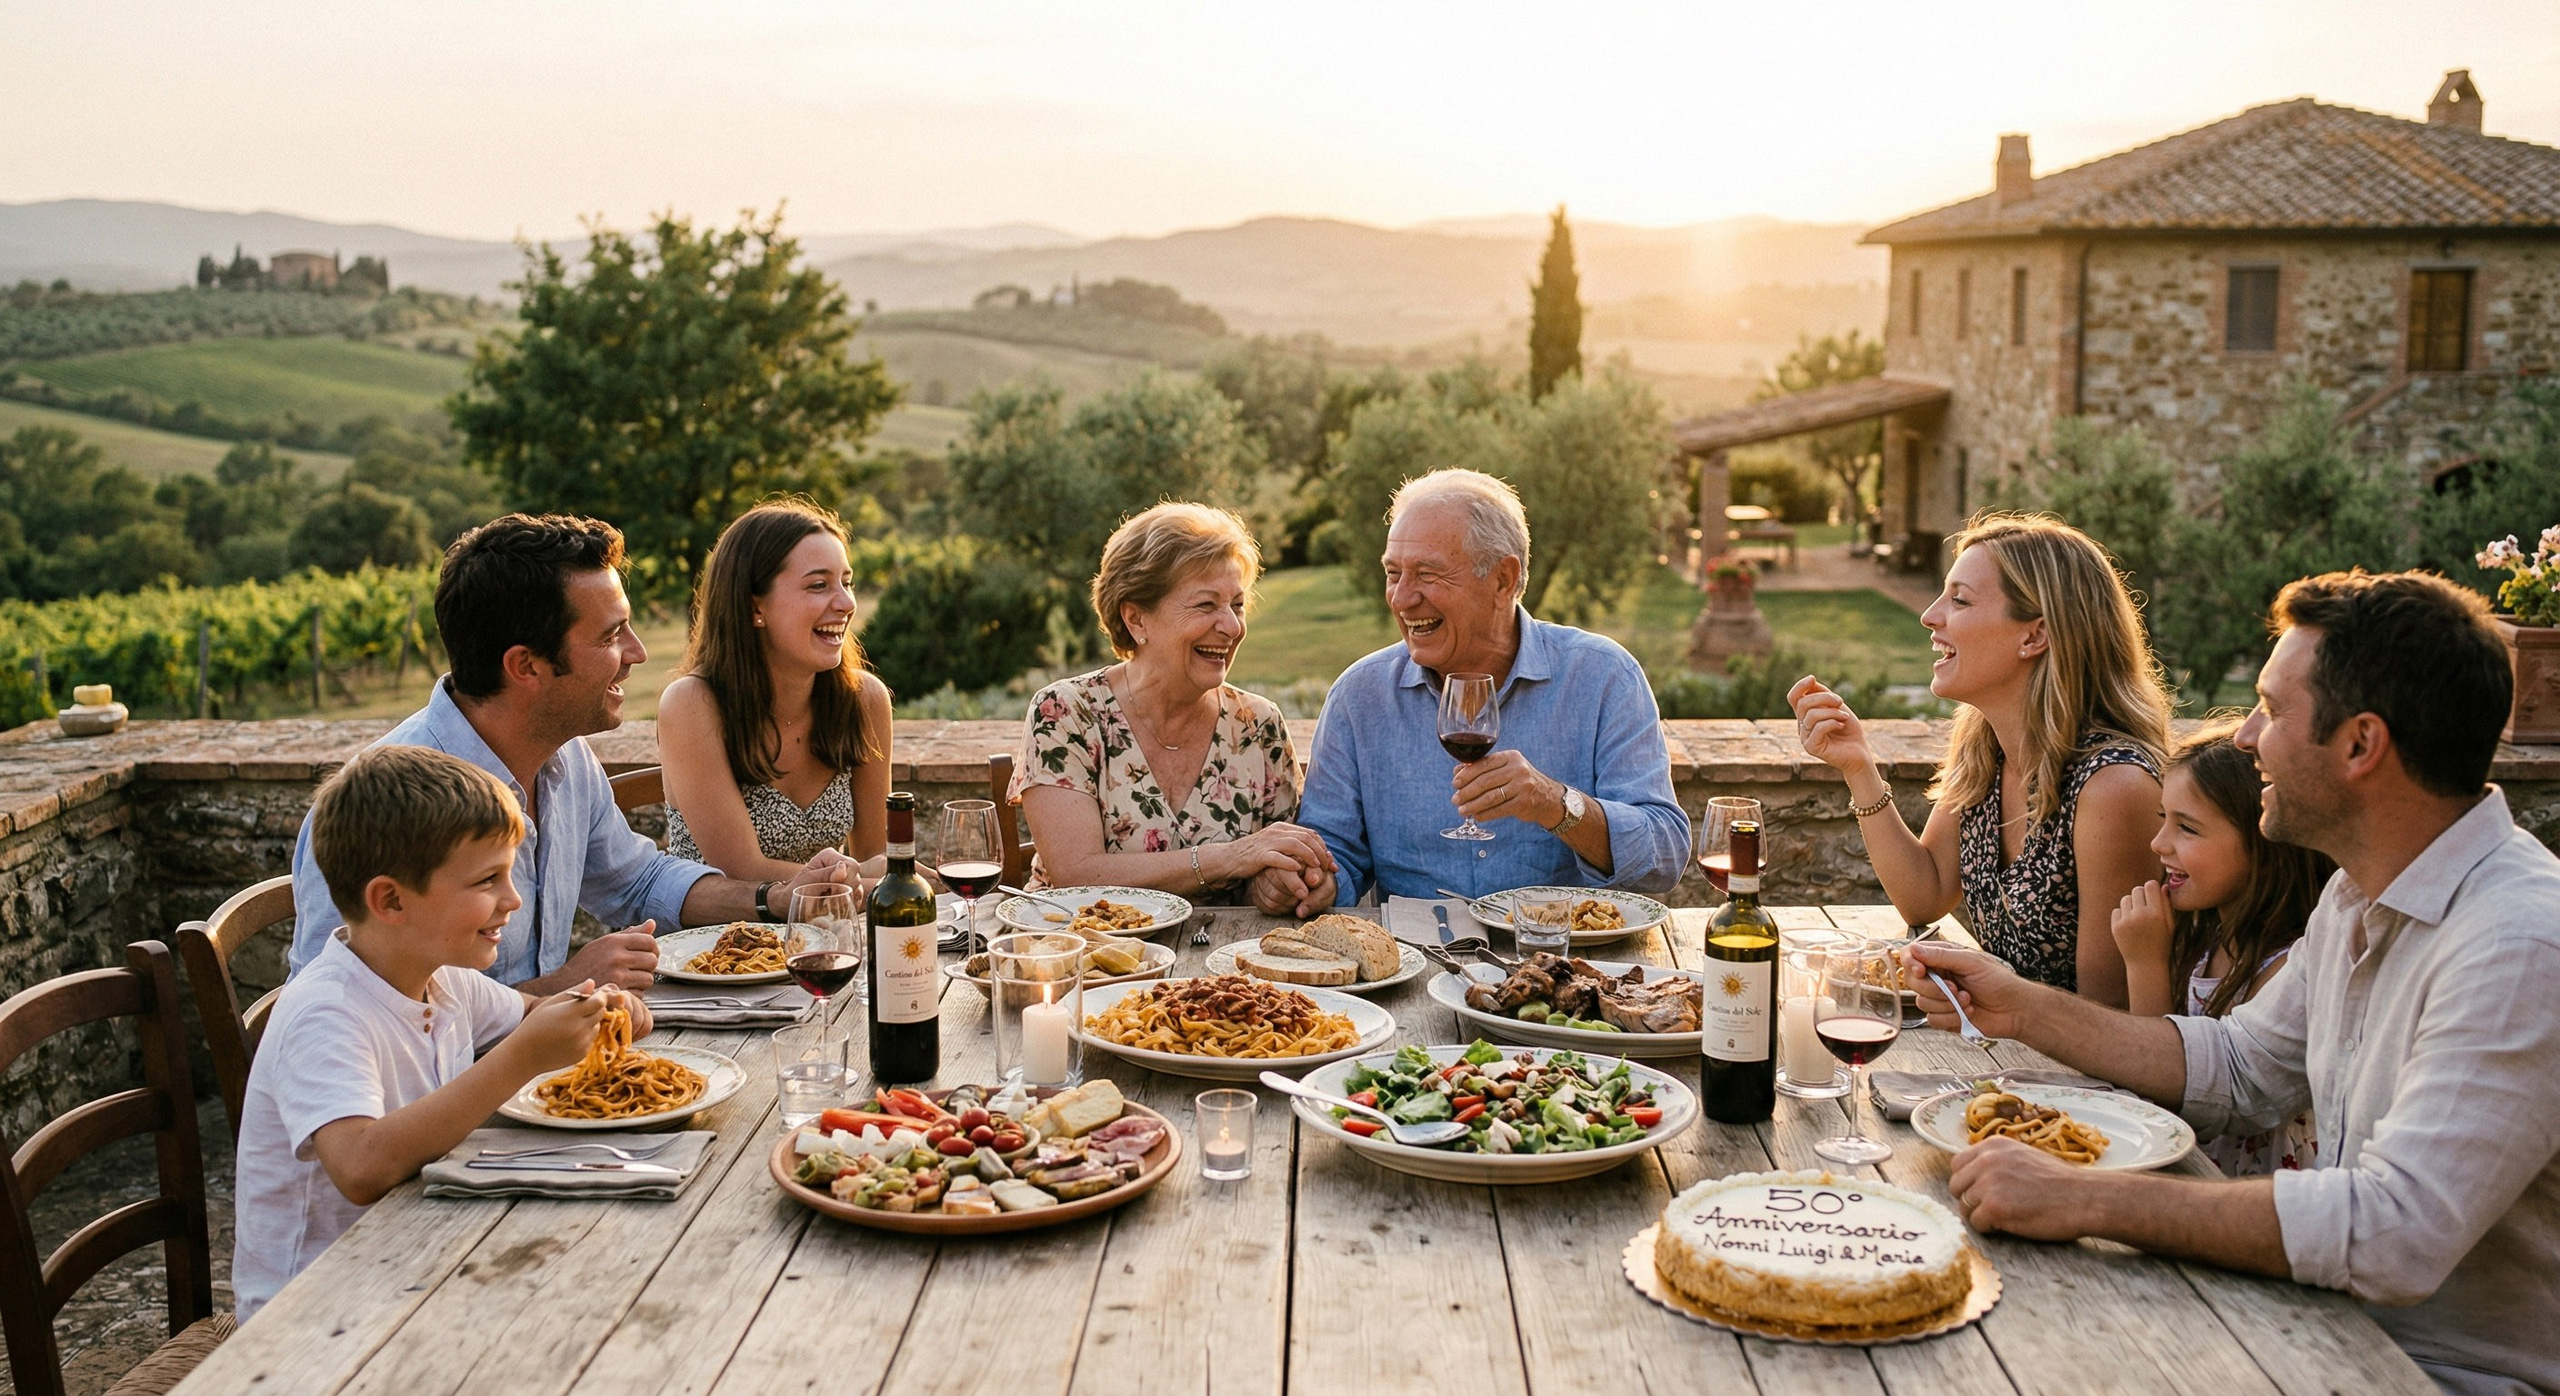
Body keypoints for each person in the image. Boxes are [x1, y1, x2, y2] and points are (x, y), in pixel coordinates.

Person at [1909, 569, 2560, 1395]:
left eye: (2274, 709)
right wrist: (2019, 1006)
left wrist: (2087, 1198)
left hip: (2434, 1375)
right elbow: (2243, 1066)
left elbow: (2394, 1233)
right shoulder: (2359, 894)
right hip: (2317, 1329)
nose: (2248, 737)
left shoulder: (2519, 941)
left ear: (2361, 745)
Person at [288, 514, 855, 994]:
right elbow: (340, 1026)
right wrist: (560, 988)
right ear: (526, 666)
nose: (636, 653)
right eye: (611, 636)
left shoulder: (565, 760)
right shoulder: (382, 810)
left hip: (536, 1077)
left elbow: (636, 884)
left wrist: (774, 898)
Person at [235, 746, 636, 1322]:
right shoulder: (325, 1011)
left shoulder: (444, 981)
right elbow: (361, 1166)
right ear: (391, 900)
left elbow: (529, 1013)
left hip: (416, 1259)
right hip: (315, 1315)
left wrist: (596, 1010)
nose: (513, 899)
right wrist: (521, 1059)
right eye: (487, 879)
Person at [1788, 513, 2169, 1005]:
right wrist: (1859, 767)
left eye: (1960, 600)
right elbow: (1925, 895)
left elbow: (2106, 1018)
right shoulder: (1987, 750)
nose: (1929, 615)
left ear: (2034, 636)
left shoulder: (2114, 787)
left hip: (2071, 1078)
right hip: (2003, 1057)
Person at [1287, 469, 1688, 913]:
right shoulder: (1358, 697)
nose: (1401, 598)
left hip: (1566, 966)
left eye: (1427, 574)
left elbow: (1664, 856)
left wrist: (1556, 805)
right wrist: (1314, 880)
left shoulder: (1603, 677)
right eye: (1393, 573)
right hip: (1418, 965)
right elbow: (1334, 854)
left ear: (1502, 580)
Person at [1011, 502, 1333, 901]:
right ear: (1137, 619)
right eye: (1205, 605)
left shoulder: (1257, 724)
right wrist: (1228, 858)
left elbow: (1267, 870)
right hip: (1077, 952)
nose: (1232, 627)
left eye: (1236, 605)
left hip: (1221, 957)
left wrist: (1278, 886)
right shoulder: (1066, 713)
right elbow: (1076, 875)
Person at [2107, 720, 2332, 1175]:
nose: (2159, 843)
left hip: (2236, 1195)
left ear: (2264, 843)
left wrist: (2144, 964)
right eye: (2162, 819)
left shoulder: (2286, 967)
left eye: (2187, 828)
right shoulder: (2201, 937)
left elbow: (2162, 1096)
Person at [659, 500, 892, 882]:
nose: (847, 602)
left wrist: (891, 874)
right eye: (819, 585)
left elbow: (875, 856)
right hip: (714, 937)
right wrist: (862, 879)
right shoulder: (692, 704)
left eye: (846, 582)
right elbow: (741, 871)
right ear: (755, 606)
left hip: (824, 931)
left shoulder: (864, 700)